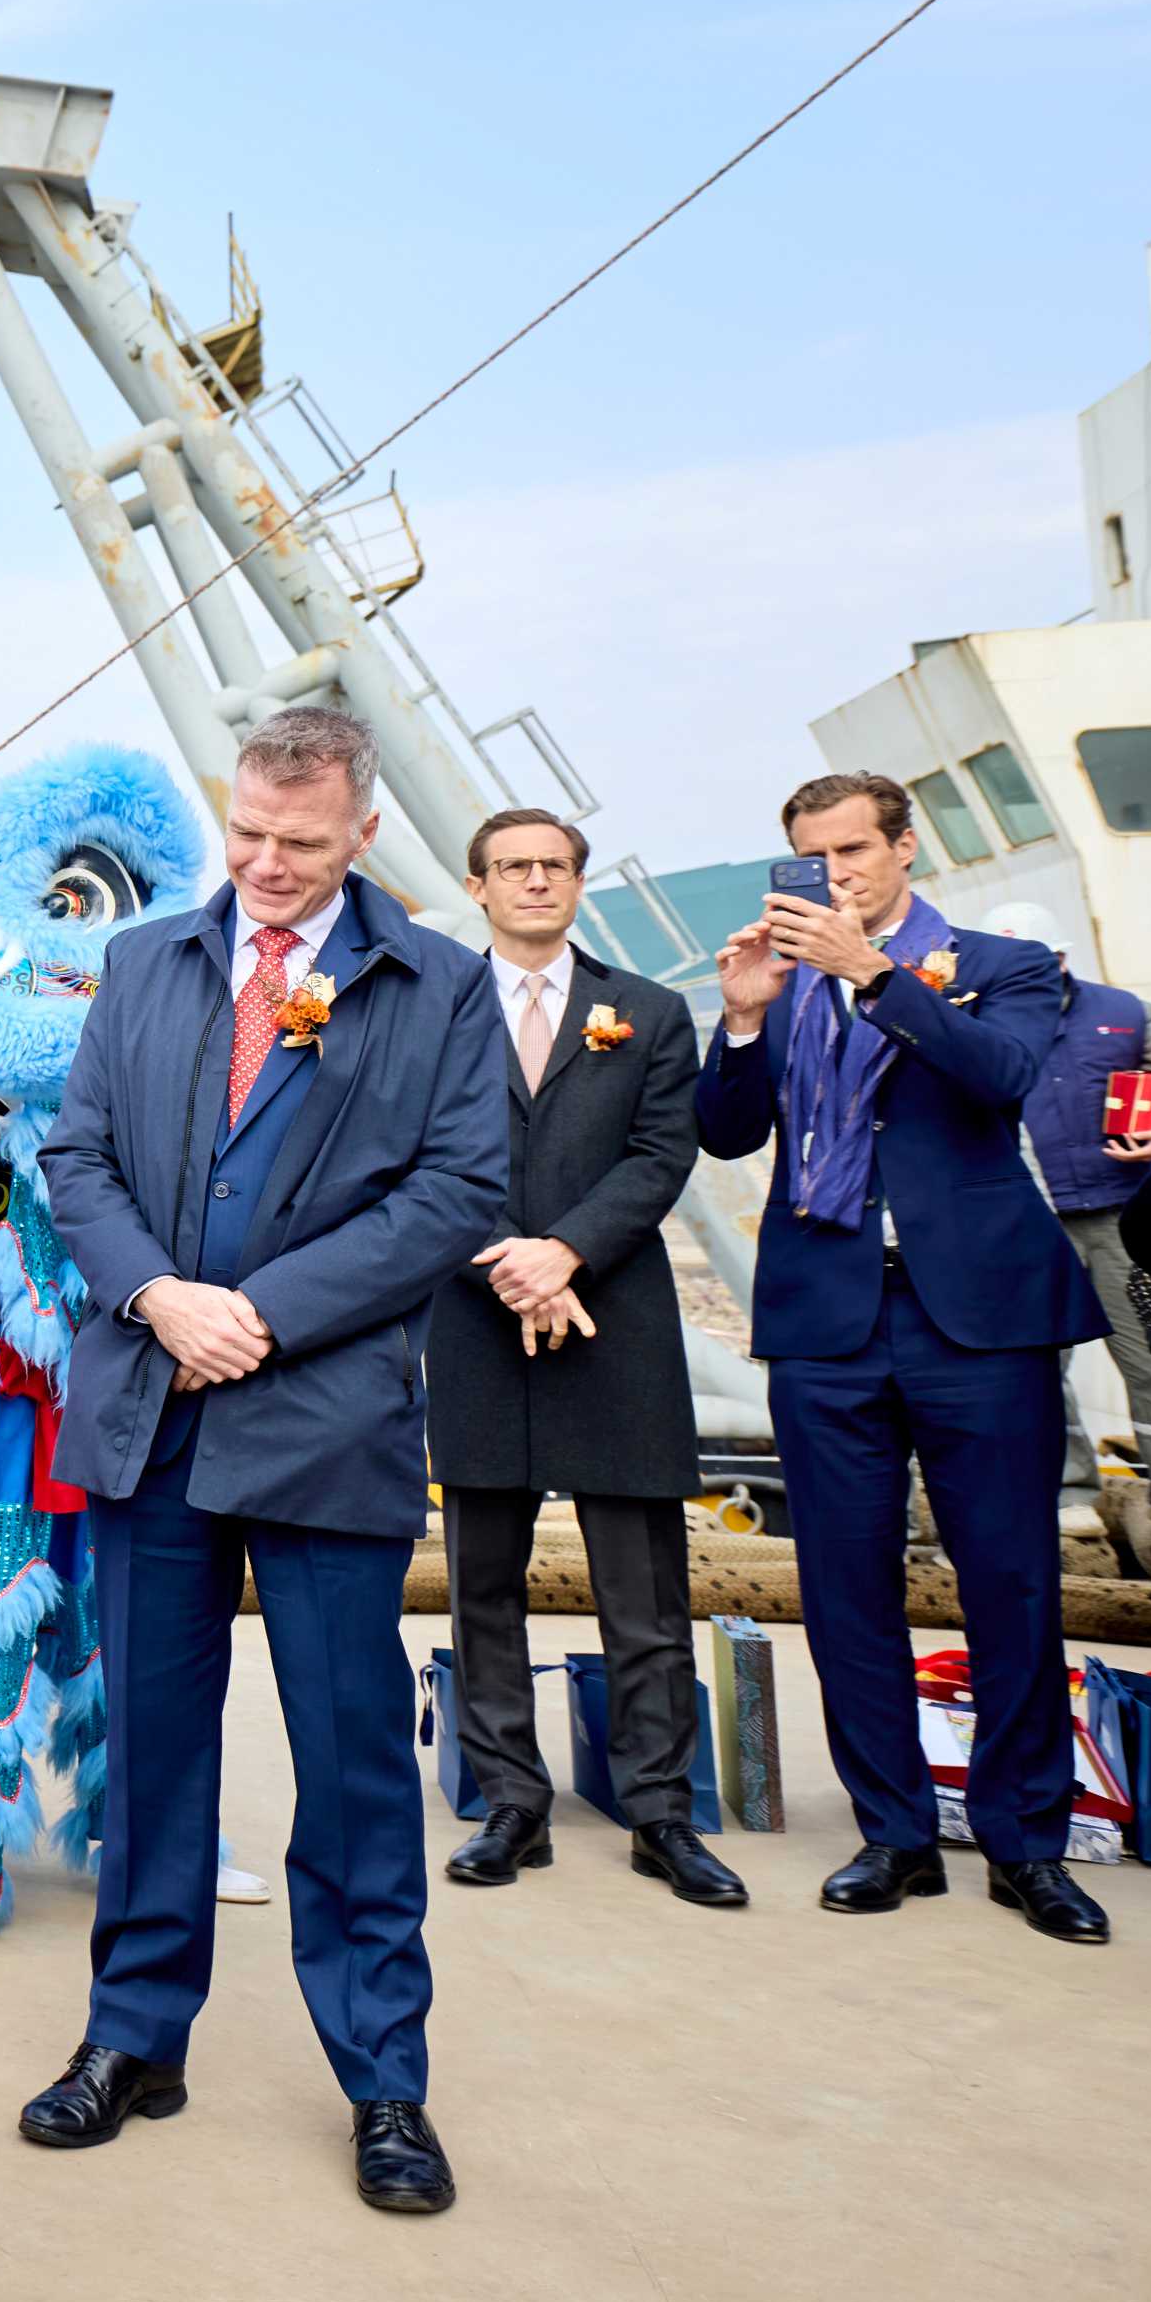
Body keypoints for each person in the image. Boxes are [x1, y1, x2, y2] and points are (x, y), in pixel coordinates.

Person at [22, 704, 505, 2218]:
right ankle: (132, 2034)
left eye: (300, 841)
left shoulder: (439, 985)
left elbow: (457, 1191)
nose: (267, 863)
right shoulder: (142, 965)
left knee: (352, 1762)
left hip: (325, 1425)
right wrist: (159, 1297)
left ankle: (384, 2079)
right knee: (155, 1750)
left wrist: (263, 1315)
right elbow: (76, 1158)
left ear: (364, 831)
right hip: (150, 1409)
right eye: (247, 832)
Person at [697, 776, 1110, 1945]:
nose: (835, 873)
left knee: (1010, 1577)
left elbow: (1005, 1076)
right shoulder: (781, 981)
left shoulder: (1002, 963)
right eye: (813, 855)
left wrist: (873, 975)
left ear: (903, 848)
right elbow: (725, 1131)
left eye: (853, 849)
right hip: (825, 1315)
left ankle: (1027, 1843)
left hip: (977, 1314)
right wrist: (740, 1021)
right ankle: (893, 1833)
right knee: (843, 1582)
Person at [425, 811, 742, 1908]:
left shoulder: (647, 1009)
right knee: (482, 1584)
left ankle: (660, 1810)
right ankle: (510, 1801)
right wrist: (510, 1267)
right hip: (475, 1317)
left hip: (616, 1317)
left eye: (553, 865)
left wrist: (563, 1253)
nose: (534, 880)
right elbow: (413, 1156)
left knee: (644, 1592)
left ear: (576, 881)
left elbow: (662, 1151)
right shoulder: (429, 1008)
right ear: (477, 886)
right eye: (512, 866)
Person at [977, 899, 1151, 1542]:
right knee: (1038, 1369)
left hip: (1126, 1220)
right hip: (1032, 1223)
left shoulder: (1128, 1014)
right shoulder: (974, 1025)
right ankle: (1068, 1493)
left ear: (1062, 958)